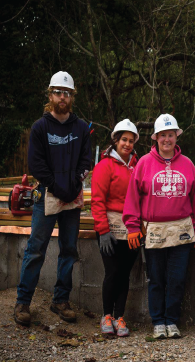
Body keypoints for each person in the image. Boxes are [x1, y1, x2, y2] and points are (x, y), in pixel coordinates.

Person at [14, 71, 91, 326]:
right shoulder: (40, 127)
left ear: (72, 97)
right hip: (46, 196)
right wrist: (56, 186)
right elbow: (36, 163)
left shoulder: (80, 128)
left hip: (72, 199)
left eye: (67, 93)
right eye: (58, 92)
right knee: (36, 250)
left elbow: (86, 160)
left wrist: (76, 182)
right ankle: (23, 303)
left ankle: (61, 300)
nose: (62, 97)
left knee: (68, 250)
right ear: (51, 95)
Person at [123, 114, 195, 339]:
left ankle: (172, 320)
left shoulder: (188, 165)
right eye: (163, 135)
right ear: (156, 138)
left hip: (181, 229)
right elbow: (132, 197)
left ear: (176, 136)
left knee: (177, 278)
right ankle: (158, 321)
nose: (167, 139)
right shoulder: (143, 164)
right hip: (155, 230)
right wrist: (132, 226)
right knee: (156, 277)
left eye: (171, 135)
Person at [91, 119, 139, 337]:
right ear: (116, 141)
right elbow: (97, 200)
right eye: (124, 140)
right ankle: (106, 315)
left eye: (131, 141)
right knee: (112, 272)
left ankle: (120, 317)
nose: (127, 144)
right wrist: (102, 230)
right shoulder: (104, 166)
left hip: (131, 227)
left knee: (125, 274)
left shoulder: (138, 167)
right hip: (109, 227)